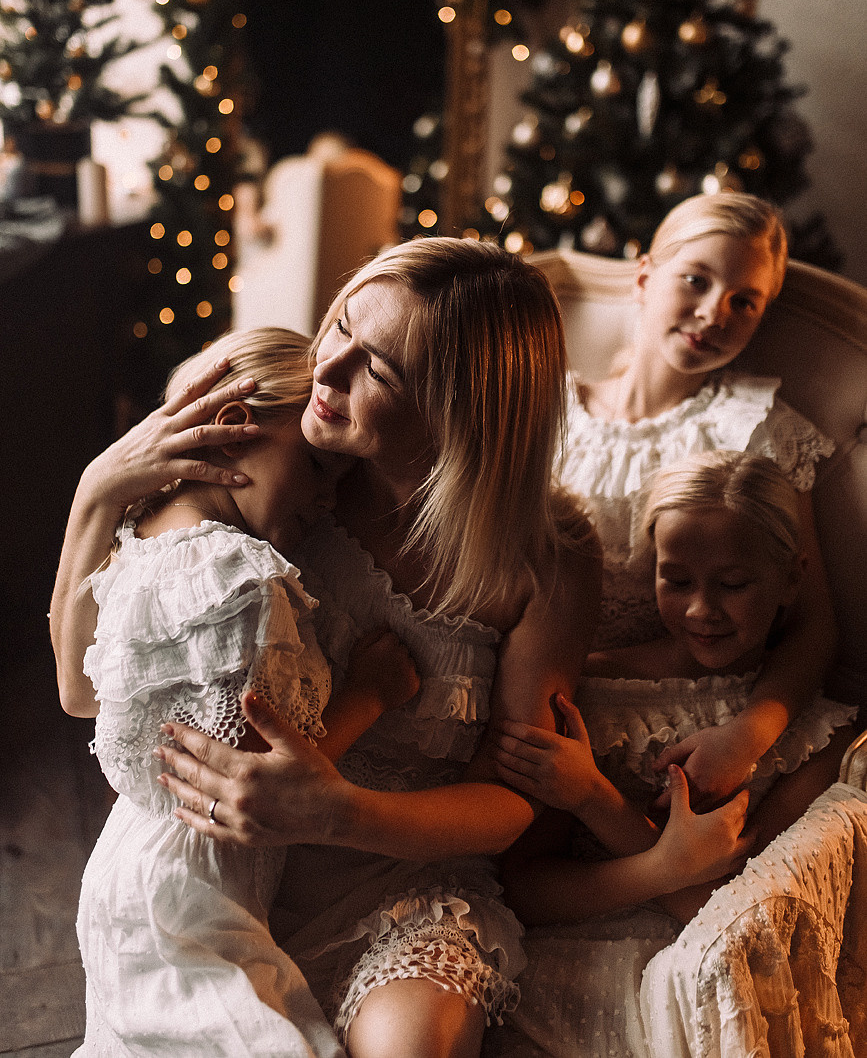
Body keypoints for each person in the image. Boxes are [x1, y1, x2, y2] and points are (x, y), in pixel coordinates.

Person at [50, 239, 601, 1058]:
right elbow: (87, 692)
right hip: (231, 882)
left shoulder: (544, 558)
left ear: (460, 408)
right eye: (338, 324)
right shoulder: (273, 481)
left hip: (404, 882)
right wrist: (98, 490)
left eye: (376, 369)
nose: (326, 367)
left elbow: (514, 798)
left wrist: (343, 812)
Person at [71, 327, 421, 1058]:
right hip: (190, 896)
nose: (328, 501)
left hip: (128, 872)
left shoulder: (142, 534)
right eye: (319, 466)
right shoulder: (242, 580)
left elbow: (80, 693)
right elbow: (248, 787)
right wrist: (370, 693)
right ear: (233, 429)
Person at [492, 451, 856, 1058]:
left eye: (734, 584)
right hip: (568, 959)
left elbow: (730, 916)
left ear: (793, 578)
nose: (701, 610)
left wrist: (595, 798)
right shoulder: (594, 694)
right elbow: (524, 888)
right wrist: (652, 854)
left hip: (711, 975)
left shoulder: (818, 736)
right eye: (677, 580)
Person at [559, 191, 837, 807]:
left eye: (745, 301)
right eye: (696, 280)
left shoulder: (759, 427)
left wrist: (746, 735)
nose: (715, 313)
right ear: (644, 278)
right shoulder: (551, 412)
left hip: (705, 711)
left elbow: (812, 624)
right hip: (552, 700)